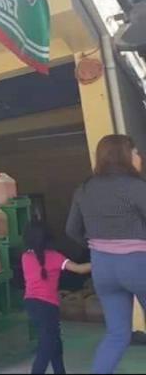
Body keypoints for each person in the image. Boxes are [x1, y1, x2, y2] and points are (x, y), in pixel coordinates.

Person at [66, 134, 146, 374]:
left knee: (117, 334)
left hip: (102, 267)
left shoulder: (84, 189)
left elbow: (71, 230)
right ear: (125, 156)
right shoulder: (136, 187)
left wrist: (97, 246)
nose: (140, 157)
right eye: (135, 152)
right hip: (137, 264)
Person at [22, 221, 91, 374]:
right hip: (47, 306)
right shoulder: (55, 257)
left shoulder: (25, 257)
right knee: (46, 347)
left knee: (54, 342)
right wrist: (101, 262)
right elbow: (79, 269)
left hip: (31, 304)